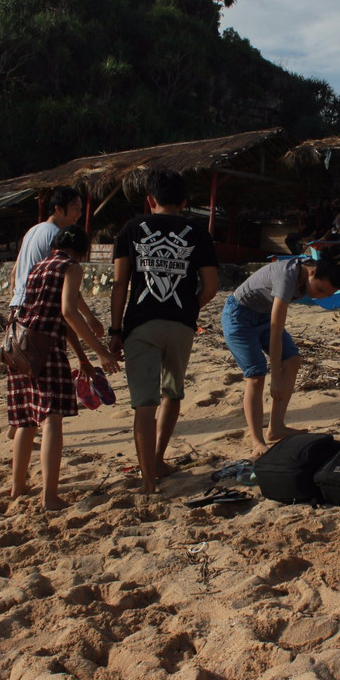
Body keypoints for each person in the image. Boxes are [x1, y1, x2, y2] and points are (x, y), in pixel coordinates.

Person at [109, 169, 219, 495]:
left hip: (140, 325)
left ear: (149, 199)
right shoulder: (197, 233)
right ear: (184, 202)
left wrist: (115, 330)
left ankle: (148, 481)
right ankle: (158, 459)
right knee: (173, 392)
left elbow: (119, 284)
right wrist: (187, 310)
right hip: (181, 325)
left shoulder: (131, 229)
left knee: (144, 404)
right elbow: (210, 288)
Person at [8, 225, 120, 510]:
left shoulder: (39, 266)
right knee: (51, 419)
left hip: (19, 347)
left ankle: (17, 487)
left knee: (26, 420)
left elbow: (61, 316)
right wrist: (101, 352)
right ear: (83, 250)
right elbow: (69, 311)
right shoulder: (71, 267)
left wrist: (83, 359)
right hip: (46, 350)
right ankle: (49, 496)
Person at [222, 244, 340, 458]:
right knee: (256, 375)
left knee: (292, 361)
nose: (320, 297)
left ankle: (276, 428)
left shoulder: (322, 271)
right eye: (320, 290)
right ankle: (257, 441)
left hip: (263, 315)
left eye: (327, 294)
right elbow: (276, 329)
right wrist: (275, 378)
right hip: (239, 316)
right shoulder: (286, 277)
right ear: (312, 273)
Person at [6, 186, 104, 442]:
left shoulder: (33, 230)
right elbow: (63, 287)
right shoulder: (56, 236)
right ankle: (27, 428)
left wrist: (15, 298)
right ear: (59, 209)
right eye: (75, 209)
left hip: (19, 310)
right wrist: (89, 319)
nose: (79, 214)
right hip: (40, 309)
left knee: (25, 377)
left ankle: (18, 428)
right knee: (48, 394)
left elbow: (15, 271)